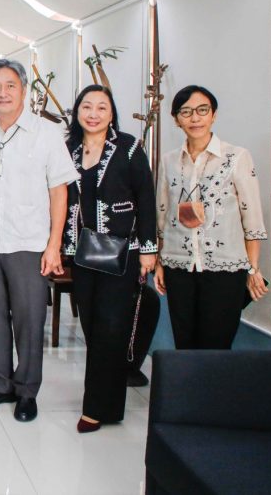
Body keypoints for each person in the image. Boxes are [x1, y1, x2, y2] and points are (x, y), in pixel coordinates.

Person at [0, 58, 78, 422]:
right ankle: (0, 385)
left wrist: (53, 245)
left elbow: (59, 192)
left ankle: (26, 391)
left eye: (10, 85)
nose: (3, 92)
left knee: (29, 319)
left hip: (29, 244)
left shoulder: (46, 133)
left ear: (24, 90)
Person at [62, 85, 157, 433]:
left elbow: (146, 198)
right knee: (92, 327)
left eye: (102, 107)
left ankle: (95, 408)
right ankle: (110, 404)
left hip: (122, 252)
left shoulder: (129, 147)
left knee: (111, 328)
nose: (93, 113)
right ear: (77, 112)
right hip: (81, 253)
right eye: (86, 106)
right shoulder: (68, 149)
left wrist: (149, 249)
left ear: (112, 113)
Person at [154, 85, 268, 349]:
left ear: (213, 115)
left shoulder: (236, 157)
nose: (195, 118)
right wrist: (160, 261)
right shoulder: (169, 161)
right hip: (179, 266)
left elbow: (252, 217)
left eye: (202, 110)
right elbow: (163, 213)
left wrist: (252, 268)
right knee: (184, 343)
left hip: (224, 268)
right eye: (186, 112)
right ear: (176, 119)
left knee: (216, 345)